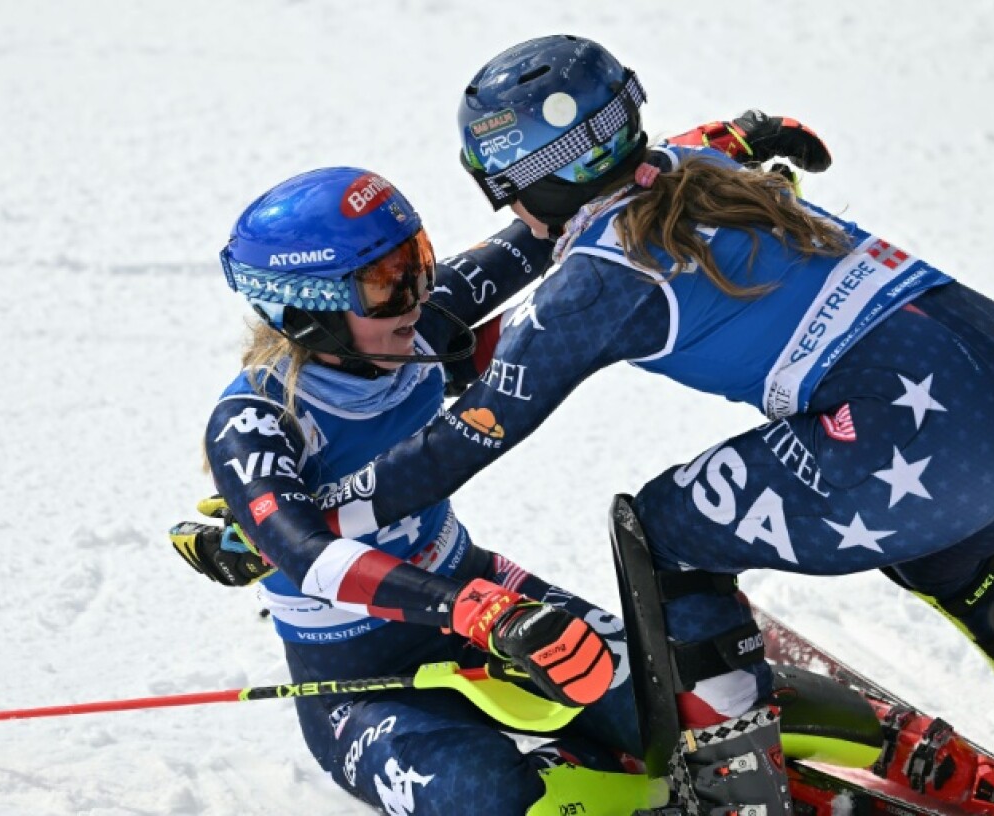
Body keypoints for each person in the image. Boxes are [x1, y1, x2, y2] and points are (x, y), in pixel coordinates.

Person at [303, 35, 994, 812]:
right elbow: (675, 150)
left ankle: (738, 783)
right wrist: (749, 129)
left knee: (663, 535)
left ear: (529, 181)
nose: (507, 207)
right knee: (945, 552)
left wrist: (307, 518)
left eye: (498, 185)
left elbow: (465, 440)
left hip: (918, 446)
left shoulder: (598, 282)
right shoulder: (700, 168)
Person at [171, 165, 656, 816]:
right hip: (358, 680)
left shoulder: (415, 323)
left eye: (417, 261)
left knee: (668, 709)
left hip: (480, 591)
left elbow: (553, 218)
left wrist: (701, 148)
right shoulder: (254, 421)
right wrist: (478, 611)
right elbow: (308, 557)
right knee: (487, 796)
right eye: (385, 284)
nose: (417, 295)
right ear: (306, 307)